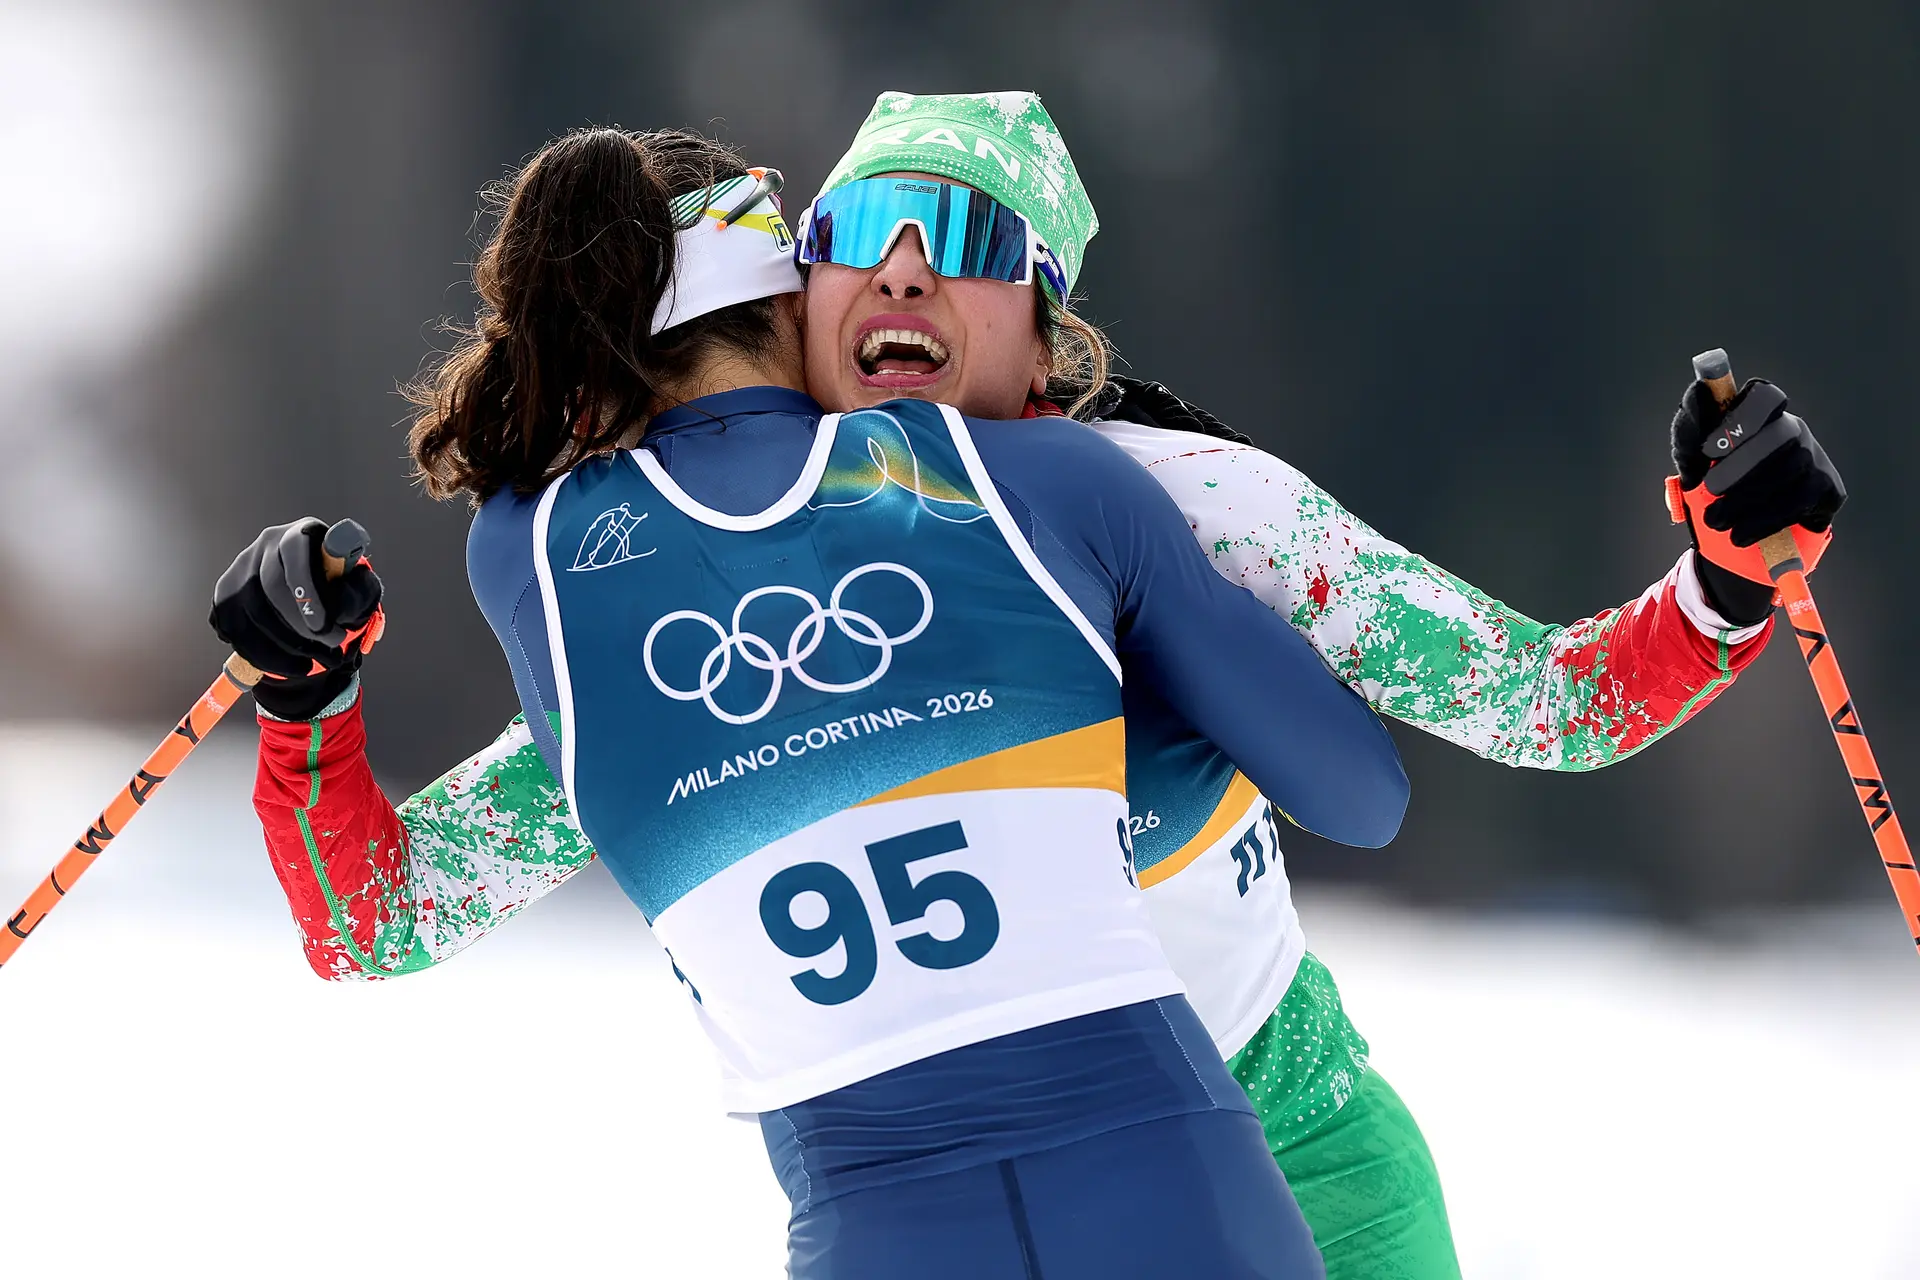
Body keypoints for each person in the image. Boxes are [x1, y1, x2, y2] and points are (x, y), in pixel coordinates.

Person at [222, 92, 1848, 1278]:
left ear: (1046, 331)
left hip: (1295, 1152)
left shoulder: (1180, 496)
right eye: (858, 235)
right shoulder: (720, 613)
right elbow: (392, 915)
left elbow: (1548, 704)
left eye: (972, 244)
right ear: (789, 303)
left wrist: (1717, 580)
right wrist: (307, 708)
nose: (907, 277)